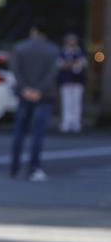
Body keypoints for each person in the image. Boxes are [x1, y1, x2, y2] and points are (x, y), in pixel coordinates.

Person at [9, 24, 60, 181]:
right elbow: (52, 73)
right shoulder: (53, 50)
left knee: (19, 132)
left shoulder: (20, 47)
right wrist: (39, 90)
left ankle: (14, 167)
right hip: (44, 96)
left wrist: (25, 89)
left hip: (24, 95)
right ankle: (34, 166)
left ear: (33, 31)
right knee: (38, 133)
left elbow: (15, 69)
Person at [57, 33, 86, 133]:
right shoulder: (63, 52)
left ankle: (76, 123)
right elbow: (60, 65)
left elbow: (80, 65)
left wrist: (70, 64)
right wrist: (70, 64)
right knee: (66, 102)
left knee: (76, 103)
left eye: (73, 41)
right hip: (66, 81)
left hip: (77, 82)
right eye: (69, 41)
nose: (71, 42)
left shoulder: (80, 52)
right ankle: (66, 122)